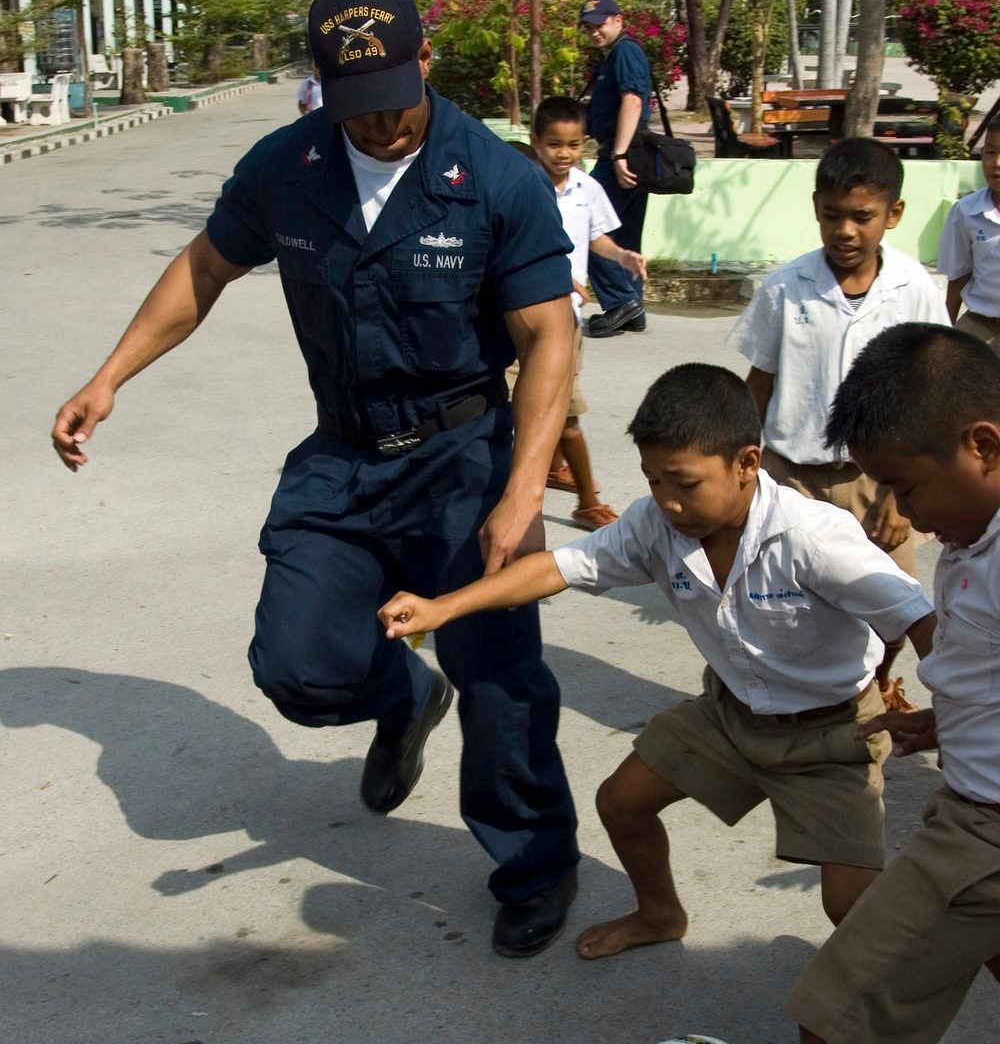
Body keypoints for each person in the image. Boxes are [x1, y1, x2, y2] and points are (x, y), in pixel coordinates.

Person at [50, 0, 582, 959]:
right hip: (342, 451)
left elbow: (549, 335)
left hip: (465, 451)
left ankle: (536, 865)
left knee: (500, 673)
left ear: (426, 61)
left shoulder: (495, 179)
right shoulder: (288, 165)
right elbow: (207, 265)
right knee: (296, 664)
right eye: (353, 103)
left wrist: (520, 490)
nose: (375, 124)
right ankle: (402, 697)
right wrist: (109, 375)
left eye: (392, 96)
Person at [377, 363, 935, 957]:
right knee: (622, 802)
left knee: (848, 907)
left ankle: (906, 980)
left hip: (831, 734)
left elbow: (922, 617)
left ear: (748, 463)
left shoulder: (815, 538)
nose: (666, 502)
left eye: (684, 482)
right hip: (730, 714)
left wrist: (948, 716)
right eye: (652, 481)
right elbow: (558, 568)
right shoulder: (655, 525)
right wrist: (442, 607)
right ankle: (660, 914)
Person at [668, 322, 1000, 1044]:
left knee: (835, 1008)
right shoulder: (980, 526)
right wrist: (947, 721)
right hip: (973, 786)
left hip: (985, 831)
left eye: (907, 483)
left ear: (983, 442)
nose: (898, 510)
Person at [729, 138, 950, 714]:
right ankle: (790, 699)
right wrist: (739, 463)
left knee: (897, 603)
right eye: (832, 215)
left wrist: (900, 498)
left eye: (863, 217)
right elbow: (761, 382)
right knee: (777, 600)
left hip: (874, 483)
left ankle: (876, 685)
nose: (846, 231)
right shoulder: (786, 286)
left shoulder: (913, 289)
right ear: (816, 209)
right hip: (789, 474)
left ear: (893, 216)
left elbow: (931, 394)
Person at [531, 95, 648, 531]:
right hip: (526, 314)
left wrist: (621, 257)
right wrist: (558, 275)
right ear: (535, 141)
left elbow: (595, 237)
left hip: (568, 319)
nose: (564, 155)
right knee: (557, 413)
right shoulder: (521, 183)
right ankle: (585, 497)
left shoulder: (587, 189)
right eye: (554, 145)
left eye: (573, 145)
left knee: (562, 411)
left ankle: (569, 483)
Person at [578, 0, 652, 339]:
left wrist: (619, 154)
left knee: (588, 223)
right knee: (624, 232)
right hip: (627, 151)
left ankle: (622, 300)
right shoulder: (612, 56)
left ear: (618, 20)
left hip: (625, 153)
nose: (594, 32)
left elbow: (633, 101)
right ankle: (633, 308)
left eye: (600, 24)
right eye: (588, 27)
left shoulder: (625, 51)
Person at [938, 113, 1000, 352]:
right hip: (979, 328)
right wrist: (943, 335)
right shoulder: (966, 211)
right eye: (990, 152)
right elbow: (957, 279)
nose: (996, 163)